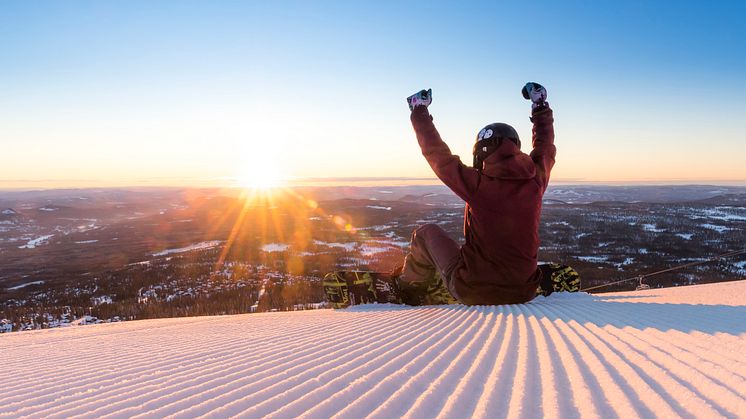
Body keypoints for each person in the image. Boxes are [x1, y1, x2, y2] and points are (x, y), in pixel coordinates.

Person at [397, 83, 555, 305]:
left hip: (474, 289)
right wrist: (540, 106)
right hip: (525, 290)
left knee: (425, 233)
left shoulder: (479, 186)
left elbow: (437, 155)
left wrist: (419, 110)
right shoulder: (536, 180)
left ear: (482, 153)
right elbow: (545, 147)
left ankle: (408, 288)